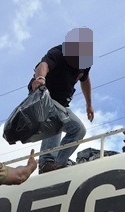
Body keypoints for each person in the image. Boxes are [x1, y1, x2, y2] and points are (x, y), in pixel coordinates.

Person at [29, 27, 95, 174]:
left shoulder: (85, 62)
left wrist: (89, 104)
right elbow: (43, 65)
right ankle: (47, 161)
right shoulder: (59, 52)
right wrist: (40, 78)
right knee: (58, 118)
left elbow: (85, 80)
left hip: (61, 104)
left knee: (78, 130)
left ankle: (57, 165)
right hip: (42, 98)